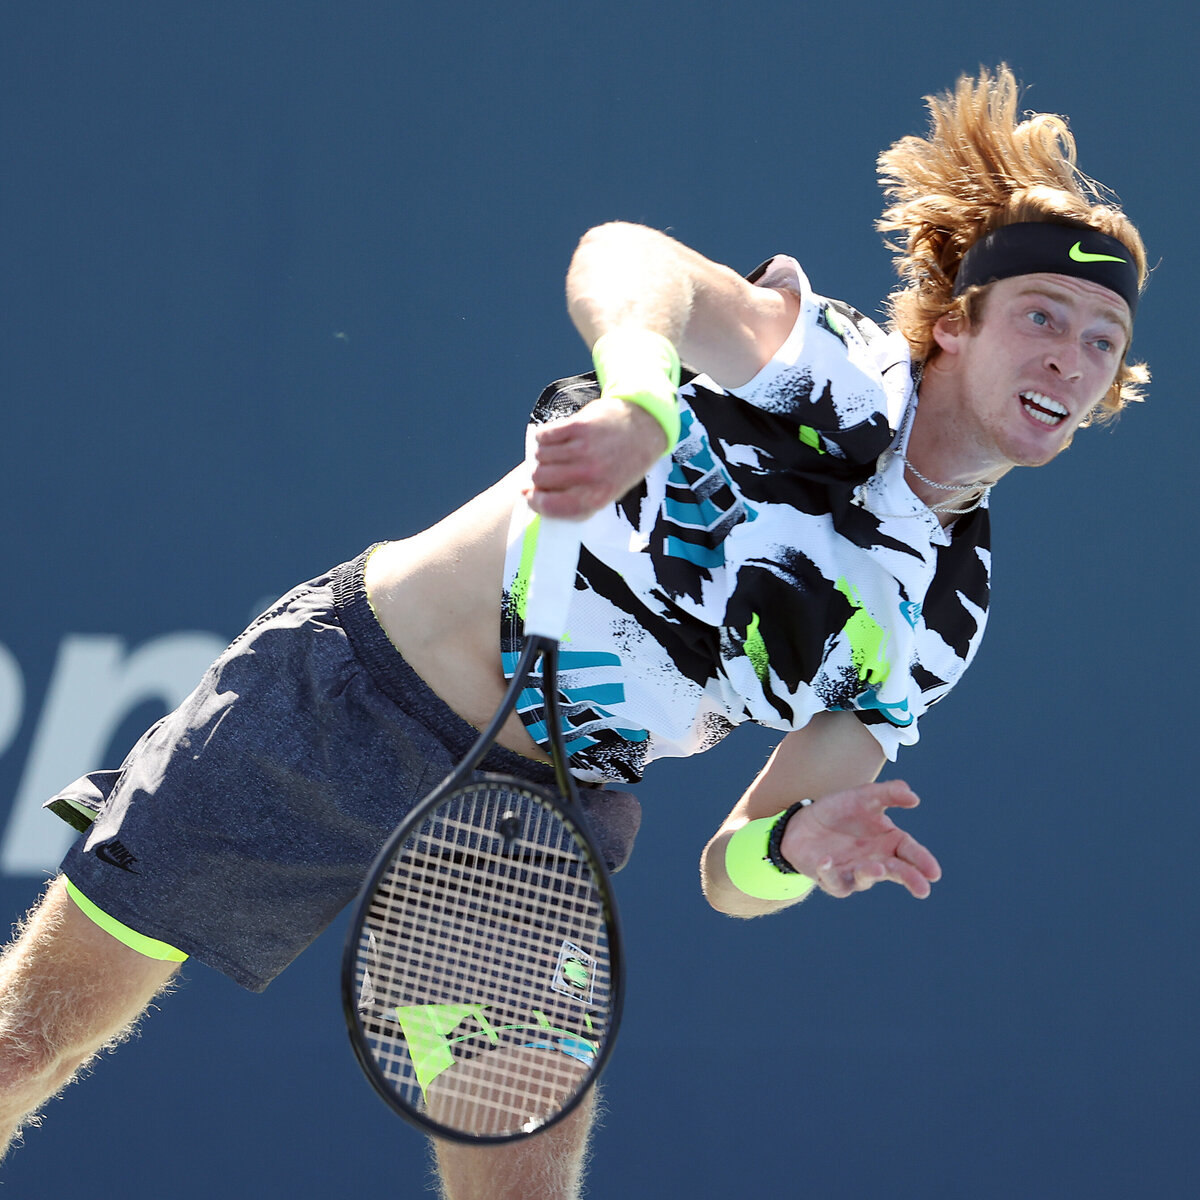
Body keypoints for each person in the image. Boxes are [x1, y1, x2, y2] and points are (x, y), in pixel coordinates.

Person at [0, 64, 1149, 1200]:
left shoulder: (937, 620)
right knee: (22, 1048)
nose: (1069, 355)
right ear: (956, 326)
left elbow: (730, 871)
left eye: (1101, 340)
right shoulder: (835, 374)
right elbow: (628, 257)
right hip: (347, 695)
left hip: (527, 833)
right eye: (1043, 317)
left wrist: (791, 855)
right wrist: (644, 401)